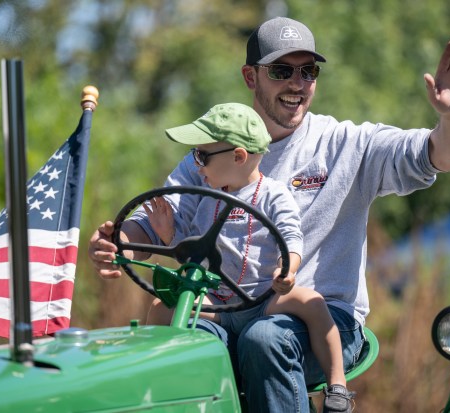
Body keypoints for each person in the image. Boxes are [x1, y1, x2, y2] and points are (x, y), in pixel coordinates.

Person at [88, 16, 450, 413]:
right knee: (181, 339)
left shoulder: (346, 144)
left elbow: (444, 155)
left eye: (308, 71)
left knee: (265, 340)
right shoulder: (208, 155)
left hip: (320, 317)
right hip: (228, 310)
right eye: (282, 71)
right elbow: (160, 222)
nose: (297, 83)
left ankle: (334, 393)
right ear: (251, 77)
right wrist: (118, 244)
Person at [142, 102, 351, 412]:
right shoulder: (209, 200)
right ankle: (154, 390)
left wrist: (288, 267)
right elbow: (196, 255)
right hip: (220, 303)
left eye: (201, 156)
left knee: (313, 304)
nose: (196, 166)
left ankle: (338, 386)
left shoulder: (273, 194)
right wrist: (169, 236)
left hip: (263, 299)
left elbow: (291, 236)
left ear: (238, 156)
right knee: (161, 308)